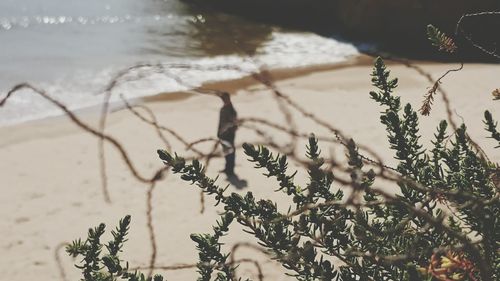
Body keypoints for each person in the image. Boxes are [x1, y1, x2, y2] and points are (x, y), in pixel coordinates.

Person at [217, 92, 238, 177]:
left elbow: (234, 123)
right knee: (226, 151)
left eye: (225, 98)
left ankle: (231, 170)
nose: (224, 100)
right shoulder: (223, 108)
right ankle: (227, 168)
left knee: (231, 152)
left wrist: (230, 130)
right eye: (223, 99)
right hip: (223, 133)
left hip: (229, 134)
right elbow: (220, 122)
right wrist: (219, 132)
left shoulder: (231, 110)